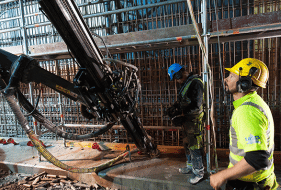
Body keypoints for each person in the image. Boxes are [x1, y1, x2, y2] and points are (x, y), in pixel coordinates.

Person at [210, 58, 279, 190]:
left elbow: (257, 159)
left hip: (249, 184)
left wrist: (222, 175)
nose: (226, 79)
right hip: (259, 180)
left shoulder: (246, 112)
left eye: (232, 76)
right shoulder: (256, 101)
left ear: (245, 83)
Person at [167, 63, 205, 184]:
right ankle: (190, 166)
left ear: (180, 73)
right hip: (187, 120)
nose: (177, 81)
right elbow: (182, 100)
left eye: (177, 78)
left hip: (194, 120)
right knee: (187, 143)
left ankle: (199, 172)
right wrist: (174, 107)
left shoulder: (196, 83)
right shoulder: (186, 84)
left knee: (195, 145)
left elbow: (196, 105)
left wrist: (181, 112)